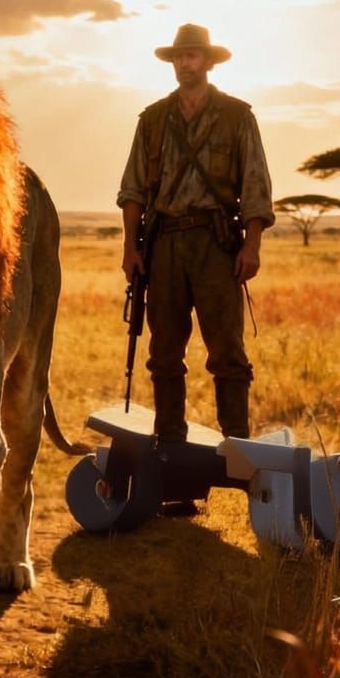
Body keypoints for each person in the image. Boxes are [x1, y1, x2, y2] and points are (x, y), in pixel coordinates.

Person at [117, 23, 274, 442]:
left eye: (192, 56)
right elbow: (133, 188)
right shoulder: (151, 120)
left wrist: (252, 247)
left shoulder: (237, 116)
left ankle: (238, 450)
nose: (185, 63)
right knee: (164, 354)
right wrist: (130, 247)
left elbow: (256, 186)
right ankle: (170, 452)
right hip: (163, 243)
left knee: (228, 354)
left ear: (207, 62)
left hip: (215, 243)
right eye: (179, 57)